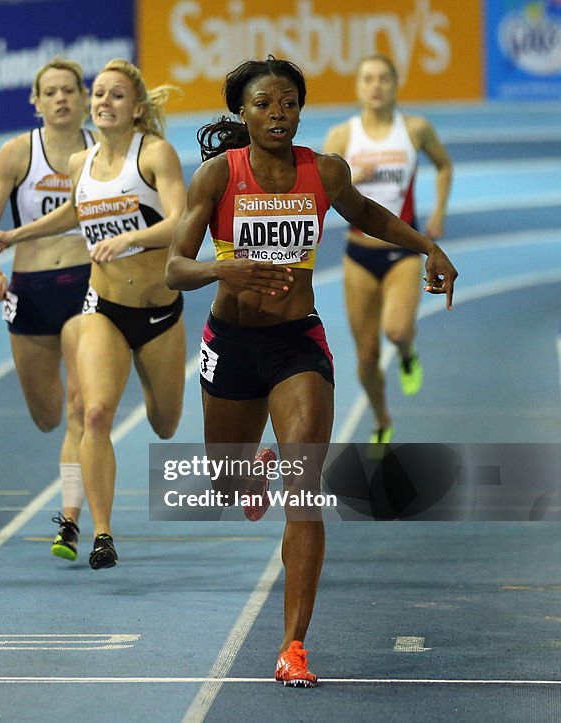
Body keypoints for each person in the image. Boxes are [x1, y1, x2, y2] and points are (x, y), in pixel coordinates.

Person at [166, 56, 457, 687]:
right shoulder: (217, 176)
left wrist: (427, 245)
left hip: (298, 344)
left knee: (304, 489)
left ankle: (293, 646)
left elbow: (370, 216)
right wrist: (225, 270)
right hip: (231, 343)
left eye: (289, 103)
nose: (278, 114)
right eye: (265, 104)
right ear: (242, 113)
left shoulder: (323, 171)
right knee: (225, 485)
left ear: (300, 109)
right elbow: (174, 269)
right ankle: (250, 471)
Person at [0, 58, 187, 570]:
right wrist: (17, 235)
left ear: (137, 107)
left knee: (165, 424)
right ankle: (101, 533)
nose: (103, 102)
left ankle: (147, 377)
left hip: (158, 312)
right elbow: (74, 212)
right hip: (103, 307)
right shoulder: (81, 164)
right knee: (93, 413)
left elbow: (182, 223)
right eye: (98, 94)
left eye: (115, 95)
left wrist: (130, 238)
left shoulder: (155, 155)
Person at [0, 58, 95, 561]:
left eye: (70, 90)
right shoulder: (17, 152)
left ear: (84, 97)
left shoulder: (101, 151)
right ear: (36, 101)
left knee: (80, 409)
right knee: (47, 416)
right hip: (29, 289)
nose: (62, 98)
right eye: (52, 92)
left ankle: (69, 520)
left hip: (89, 285)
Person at [322, 54, 453, 443]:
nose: (375, 86)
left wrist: (440, 212)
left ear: (396, 84)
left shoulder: (415, 130)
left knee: (396, 331)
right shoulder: (341, 137)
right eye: (367, 79)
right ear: (358, 87)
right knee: (364, 359)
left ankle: (407, 352)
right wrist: (349, 179)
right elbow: (316, 191)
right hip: (358, 253)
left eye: (383, 78)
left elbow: (444, 166)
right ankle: (382, 421)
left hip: (401, 252)